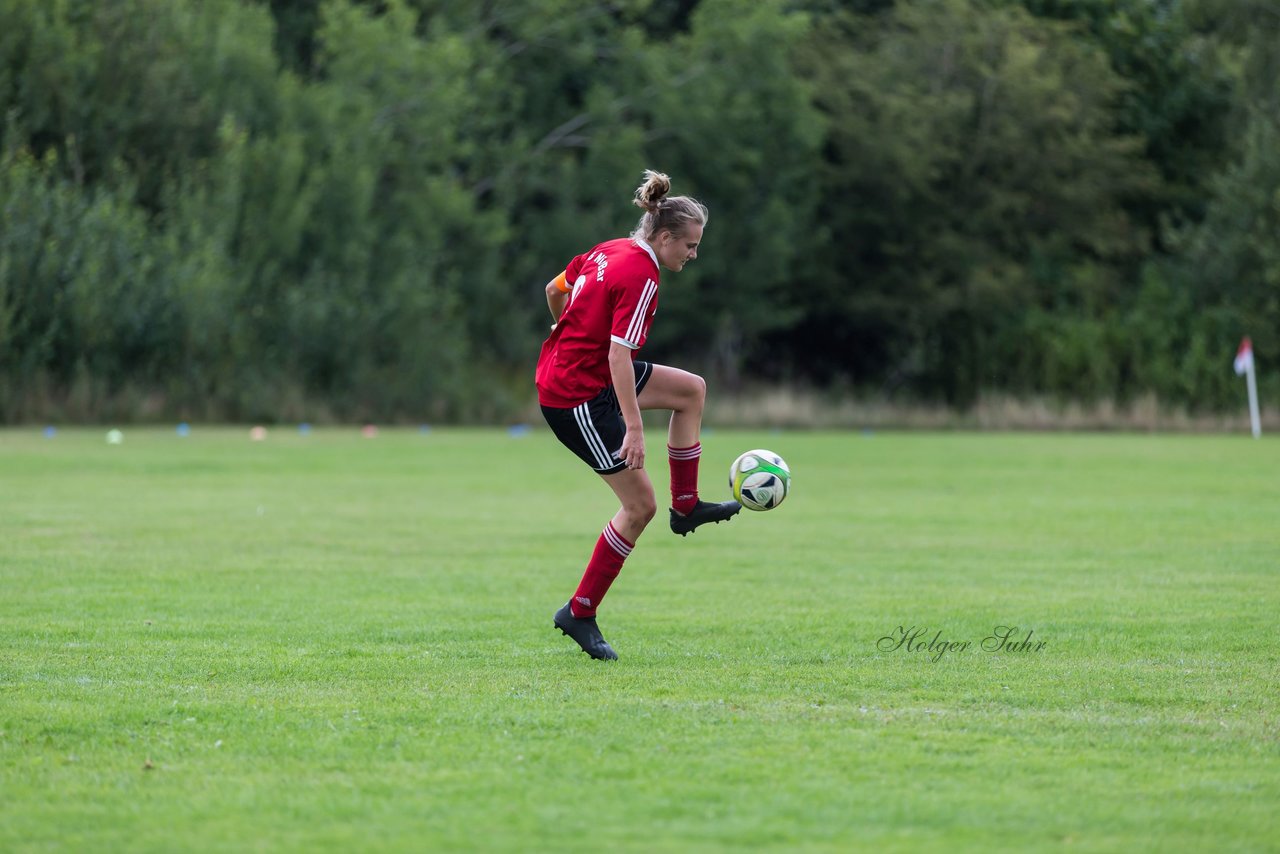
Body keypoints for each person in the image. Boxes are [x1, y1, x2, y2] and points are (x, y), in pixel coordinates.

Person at [536, 169, 742, 661]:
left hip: (589, 375)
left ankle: (687, 504)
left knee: (691, 391)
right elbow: (617, 357)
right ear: (665, 237)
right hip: (576, 395)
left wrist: (566, 327)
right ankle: (579, 612)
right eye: (689, 246)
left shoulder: (608, 250)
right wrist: (633, 427)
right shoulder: (641, 273)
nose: (693, 255)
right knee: (639, 507)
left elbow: (553, 289)